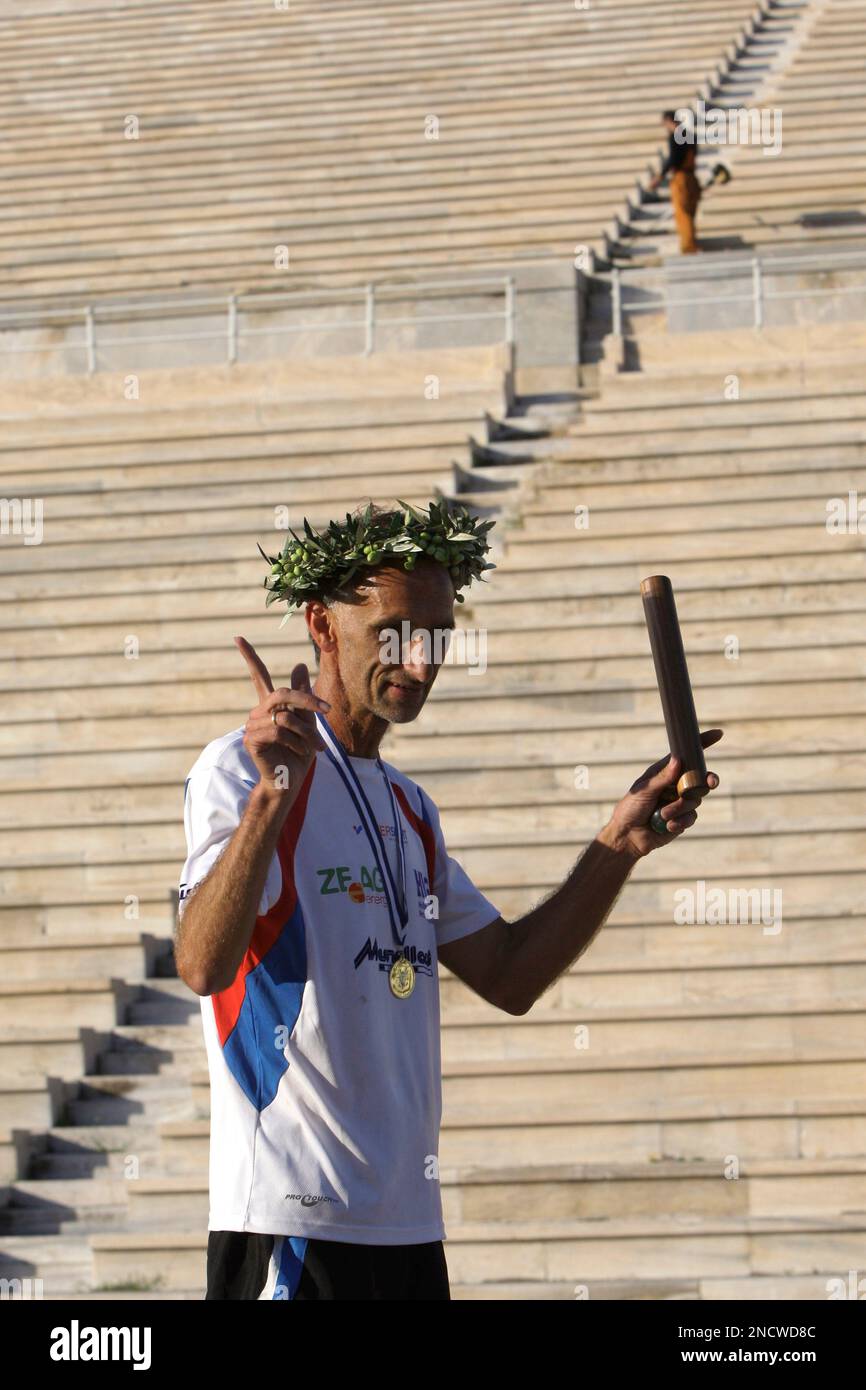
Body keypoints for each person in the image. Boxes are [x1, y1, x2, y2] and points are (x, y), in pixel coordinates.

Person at [175, 499, 722, 1299]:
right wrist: (271, 799)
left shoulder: (410, 808)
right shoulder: (241, 770)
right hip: (291, 1224)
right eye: (394, 633)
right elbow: (200, 964)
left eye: (437, 636)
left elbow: (509, 975)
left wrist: (619, 844)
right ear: (321, 627)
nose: (421, 662)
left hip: (407, 1229)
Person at [648, 108, 702, 253]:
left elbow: (673, 159)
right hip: (692, 176)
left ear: (669, 121)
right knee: (690, 212)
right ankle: (691, 242)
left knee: (682, 212)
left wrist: (659, 177)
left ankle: (688, 245)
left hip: (681, 177)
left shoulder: (675, 136)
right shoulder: (691, 135)